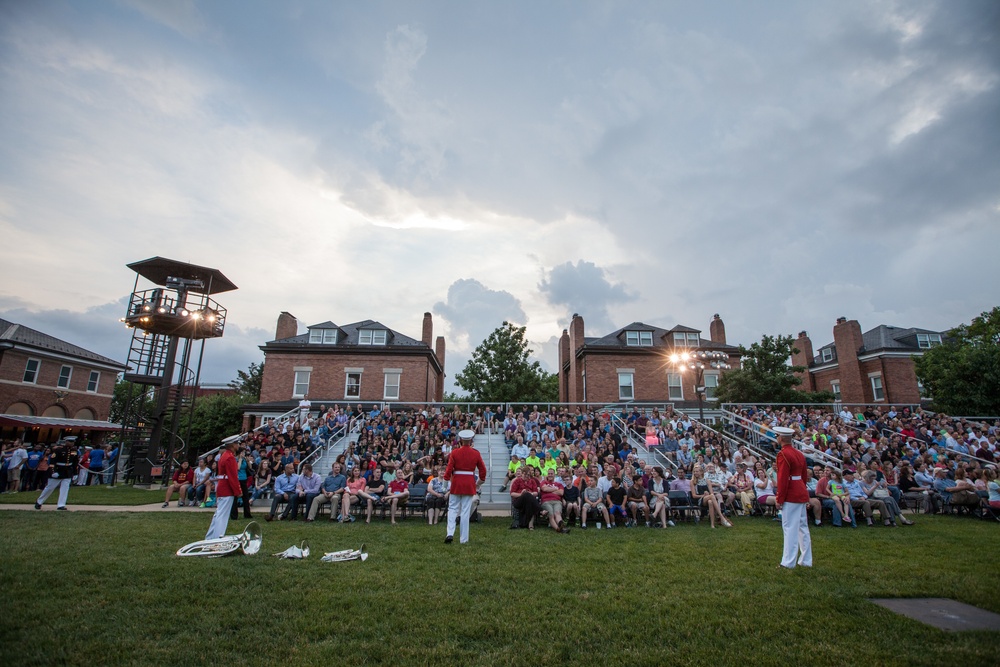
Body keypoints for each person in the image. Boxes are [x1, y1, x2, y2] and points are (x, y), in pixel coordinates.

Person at [773, 426, 812, 569]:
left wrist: (779, 497)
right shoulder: (799, 453)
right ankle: (806, 560)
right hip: (800, 490)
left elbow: (782, 478)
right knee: (802, 527)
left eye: (777, 436)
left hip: (791, 492)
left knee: (789, 528)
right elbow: (803, 476)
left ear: (781, 438)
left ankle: (788, 562)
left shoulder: (783, 454)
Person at [443, 429, 487, 544]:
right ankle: (463, 539)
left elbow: (448, 469)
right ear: (471, 440)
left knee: (452, 509)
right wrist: (478, 483)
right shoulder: (476, 453)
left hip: (457, 483)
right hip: (469, 483)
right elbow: (483, 471)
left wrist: (445, 483)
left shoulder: (455, 452)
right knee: (465, 512)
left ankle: (450, 533)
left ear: (461, 440)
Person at [204, 440, 242, 540]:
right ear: (233, 445)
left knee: (218, 514)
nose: (238, 445)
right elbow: (232, 476)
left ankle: (210, 537)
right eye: (237, 443)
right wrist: (237, 491)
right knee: (222, 516)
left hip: (222, 486)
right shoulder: (230, 457)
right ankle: (217, 538)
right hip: (227, 489)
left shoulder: (224, 456)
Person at [34, 439, 78, 510]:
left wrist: (75, 473)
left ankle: (61, 504)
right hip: (58, 469)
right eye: (70, 442)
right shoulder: (58, 450)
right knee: (50, 487)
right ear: (66, 442)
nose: (72, 443)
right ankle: (39, 501)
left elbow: (75, 462)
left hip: (67, 471)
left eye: (73, 442)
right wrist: (53, 471)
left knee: (65, 489)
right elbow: (52, 462)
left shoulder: (74, 451)